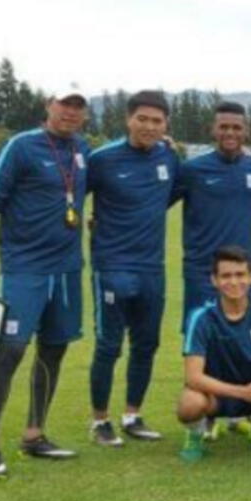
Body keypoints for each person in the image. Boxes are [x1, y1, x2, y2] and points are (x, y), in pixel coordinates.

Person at [0, 86, 90, 478]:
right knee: (10, 351)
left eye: (79, 107)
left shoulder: (83, 152)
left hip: (67, 270)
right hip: (24, 269)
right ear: (49, 105)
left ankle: (34, 434)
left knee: (54, 349)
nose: (71, 112)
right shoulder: (21, 146)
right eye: (65, 104)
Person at [86, 90, 179, 446]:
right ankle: (99, 421)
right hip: (111, 266)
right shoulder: (102, 159)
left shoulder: (168, 158)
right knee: (109, 346)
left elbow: (165, 198)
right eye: (142, 119)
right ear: (128, 119)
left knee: (146, 344)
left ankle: (132, 414)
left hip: (151, 268)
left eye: (157, 121)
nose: (149, 127)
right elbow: (72, 200)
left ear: (165, 124)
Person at [176, 247, 251, 461]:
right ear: (214, 280)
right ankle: (196, 434)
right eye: (226, 276)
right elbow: (193, 377)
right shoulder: (201, 317)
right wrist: (242, 392)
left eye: (240, 274)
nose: (234, 282)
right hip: (217, 396)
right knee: (189, 403)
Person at [177, 101, 251, 324]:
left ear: (246, 131)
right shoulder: (191, 169)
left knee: (247, 336)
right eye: (223, 127)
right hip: (203, 271)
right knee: (200, 337)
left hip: (243, 270)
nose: (230, 132)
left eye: (236, 127)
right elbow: (155, 203)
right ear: (213, 130)